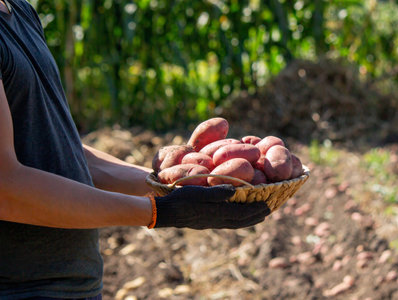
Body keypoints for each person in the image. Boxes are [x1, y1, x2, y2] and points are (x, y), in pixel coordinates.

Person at [0, 1, 270, 299]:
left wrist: (171, 186)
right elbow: (5, 186)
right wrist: (158, 212)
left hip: (76, 286)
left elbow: (62, 153)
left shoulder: (18, 10)